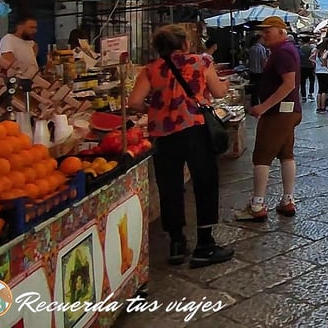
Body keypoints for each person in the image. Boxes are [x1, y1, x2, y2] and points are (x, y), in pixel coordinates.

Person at [127, 25, 234, 268]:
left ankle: (176, 243)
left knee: (170, 187)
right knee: (205, 183)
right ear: (184, 43)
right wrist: (225, 85)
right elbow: (218, 92)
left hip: (164, 134)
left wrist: (154, 109)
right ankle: (205, 245)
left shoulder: (151, 69)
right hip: (196, 129)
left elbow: (134, 101)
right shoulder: (201, 62)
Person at [236, 16, 302, 221]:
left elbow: (289, 84)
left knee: (262, 157)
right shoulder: (285, 50)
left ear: (281, 31)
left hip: (278, 113)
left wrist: (263, 106)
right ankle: (288, 200)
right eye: (263, 31)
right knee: (286, 154)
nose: (264, 35)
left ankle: (257, 205)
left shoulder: (282, 52)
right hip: (288, 111)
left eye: (268, 31)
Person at [313, 36, 328, 114]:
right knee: (324, 90)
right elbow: (325, 58)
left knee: (319, 90)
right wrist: (325, 64)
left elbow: (311, 57)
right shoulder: (327, 51)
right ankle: (323, 107)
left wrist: (316, 63)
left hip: (318, 71)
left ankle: (318, 107)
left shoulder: (317, 52)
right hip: (325, 71)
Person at [246, 35, 267, 106]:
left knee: (253, 89)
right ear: (259, 39)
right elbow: (263, 61)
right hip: (259, 72)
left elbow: (249, 61)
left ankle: (253, 104)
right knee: (259, 89)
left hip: (252, 72)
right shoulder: (262, 48)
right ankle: (259, 104)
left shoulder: (251, 49)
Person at [299, 36, 316, 101]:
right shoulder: (311, 48)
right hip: (310, 66)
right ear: (309, 41)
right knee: (312, 80)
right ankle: (310, 94)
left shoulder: (300, 49)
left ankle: (303, 95)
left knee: (302, 81)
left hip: (302, 66)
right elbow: (313, 57)